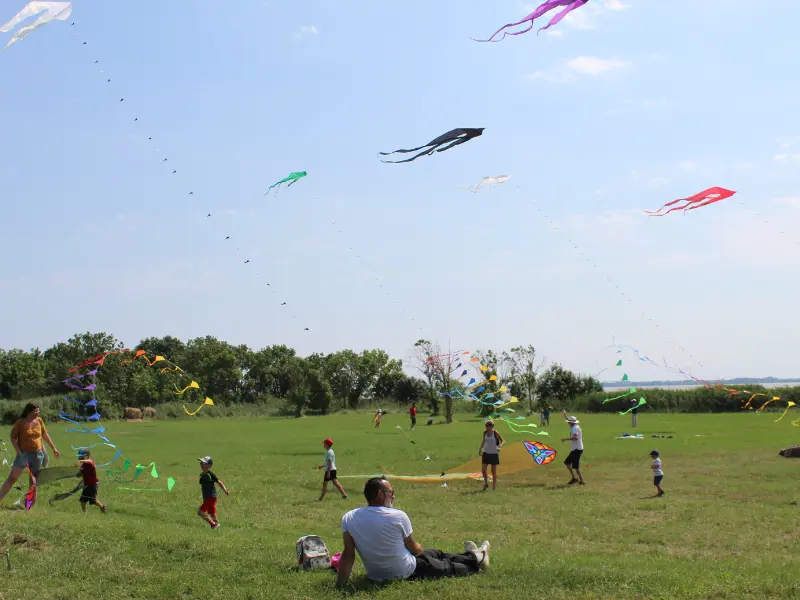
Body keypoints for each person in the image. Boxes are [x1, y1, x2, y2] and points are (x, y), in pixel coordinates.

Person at [335, 477, 490, 588]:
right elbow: (415, 550)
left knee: (436, 553)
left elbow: (349, 553)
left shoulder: (349, 517)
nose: (394, 496)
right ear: (380, 495)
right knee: (447, 566)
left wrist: (340, 585)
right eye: (391, 492)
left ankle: (473, 555)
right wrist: (421, 551)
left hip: (375, 574)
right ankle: (478, 561)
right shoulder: (397, 516)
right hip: (406, 570)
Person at [0, 403, 61, 507]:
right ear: (28, 412)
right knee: (12, 478)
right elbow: (13, 438)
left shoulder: (39, 421)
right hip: (23, 454)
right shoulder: (20, 423)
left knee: (33, 481)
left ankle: (30, 506)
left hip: (37, 455)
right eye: (35, 412)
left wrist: (53, 448)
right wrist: (19, 453)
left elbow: (44, 434)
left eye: (38, 412)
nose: (37, 414)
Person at [197, 456, 229, 529]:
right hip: (207, 497)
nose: (201, 464)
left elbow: (219, 482)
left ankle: (213, 524)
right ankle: (217, 527)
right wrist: (204, 498)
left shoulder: (210, 474)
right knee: (212, 513)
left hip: (211, 497)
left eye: (203, 463)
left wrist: (225, 490)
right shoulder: (202, 474)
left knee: (200, 512)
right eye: (201, 462)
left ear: (209, 465)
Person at [77, 449, 107, 514]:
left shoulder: (90, 462)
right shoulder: (83, 465)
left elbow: (89, 461)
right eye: (79, 457)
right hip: (86, 485)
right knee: (82, 500)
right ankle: (84, 514)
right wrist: (79, 472)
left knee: (93, 500)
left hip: (92, 485)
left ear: (87, 456)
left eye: (81, 457)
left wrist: (80, 461)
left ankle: (102, 507)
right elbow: (80, 473)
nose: (79, 458)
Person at [478, 420, 504, 491]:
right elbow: (484, 441)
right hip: (486, 453)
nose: (486, 427)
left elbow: (503, 441)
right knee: (483, 470)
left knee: (493, 471)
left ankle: (494, 487)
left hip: (494, 454)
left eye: (487, 426)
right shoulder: (485, 433)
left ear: (491, 426)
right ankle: (486, 483)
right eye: (486, 425)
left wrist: (500, 446)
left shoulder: (495, 433)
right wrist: (480, 449)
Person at [560, 411, 585, 485]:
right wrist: (565, 416)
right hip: (576, 449)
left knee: (576, 467)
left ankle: (581, 480)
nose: (568, 423)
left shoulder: (574, 428)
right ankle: (575, 478)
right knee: (567, 462)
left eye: (569, 422)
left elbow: (575, 437)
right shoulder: (575, 426)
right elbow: (570, 422)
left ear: (571, 423)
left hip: (577, 449)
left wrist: (565, 439)